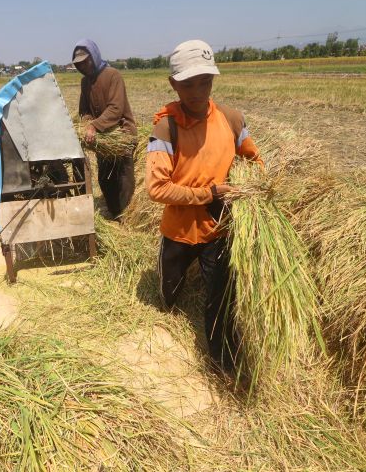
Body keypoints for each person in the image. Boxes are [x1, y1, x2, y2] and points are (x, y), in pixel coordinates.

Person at [145, 39, 263, 372]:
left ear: (214, 80)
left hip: (218, 228)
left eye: (205, 81)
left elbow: (255, 162)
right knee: (169, 289)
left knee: (222, 300)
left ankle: (223, 362)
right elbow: (156, 188)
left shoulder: (232, 119)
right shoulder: (165, 128)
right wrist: (208, 194)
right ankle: (169, 308)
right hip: (179, 230)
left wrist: (246, 188)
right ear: (173, 84)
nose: (197, 91)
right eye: (187, 84)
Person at [72, 39, 137, 219]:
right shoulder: (85, 82)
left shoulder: (112, 75)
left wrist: (94, 125)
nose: (84, 66)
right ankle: (114, 211)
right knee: (105, 178)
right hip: (102, 138)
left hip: (121, 133)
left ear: (94, 56)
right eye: (80, 64)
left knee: (123, 178)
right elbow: (84, 110)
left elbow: (116, 109)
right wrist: (86, 123)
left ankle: (126, 215)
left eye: (86, 60)